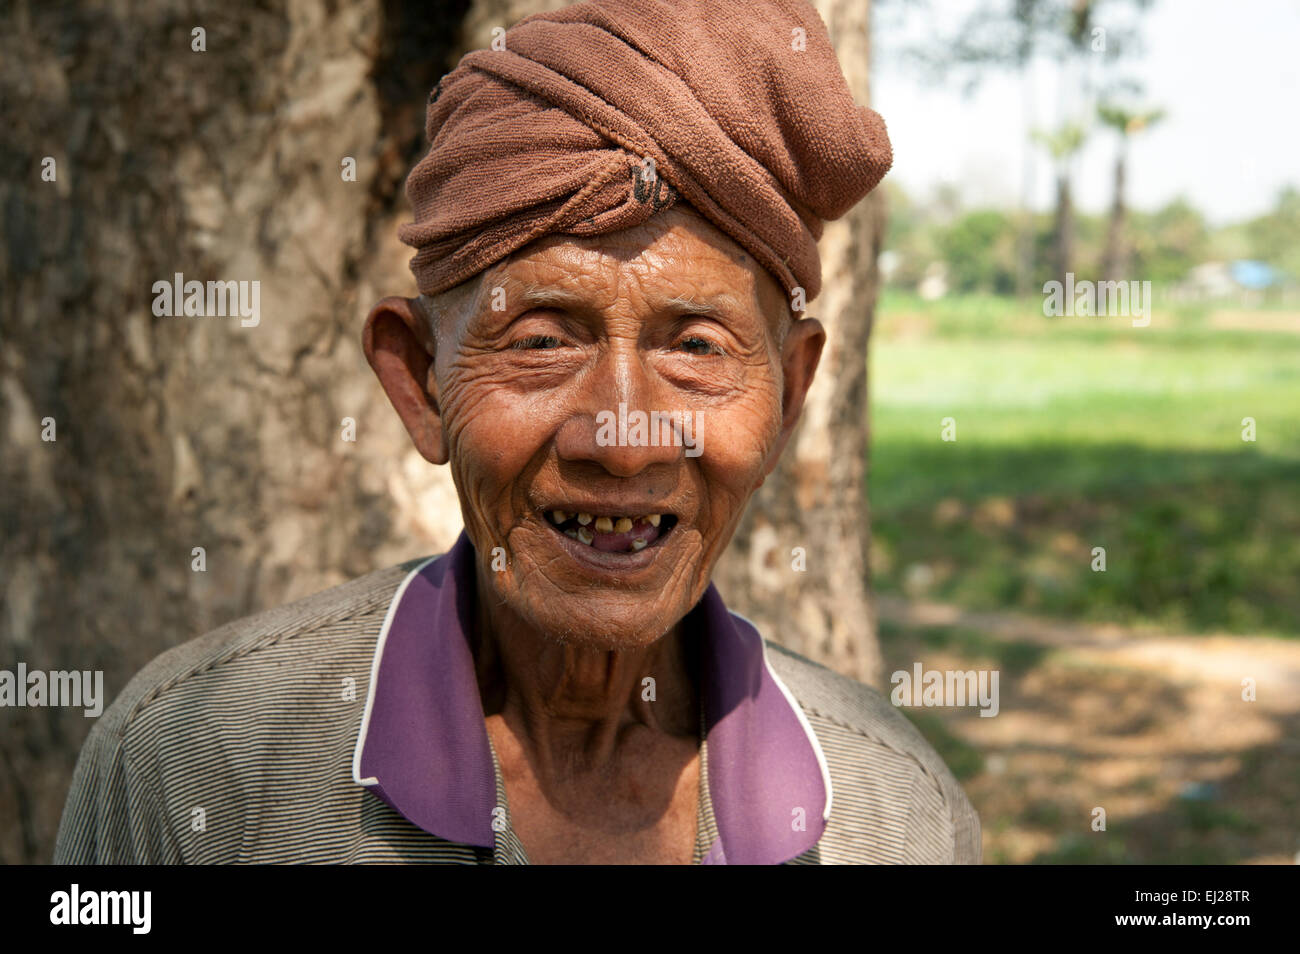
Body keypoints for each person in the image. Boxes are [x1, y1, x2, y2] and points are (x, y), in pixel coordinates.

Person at [55, 0, 979, 865]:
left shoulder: (895, 815)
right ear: (419, 381)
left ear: (786, 399)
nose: (623, 439)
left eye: (696, 346)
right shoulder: (187, 770)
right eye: (541, 340)